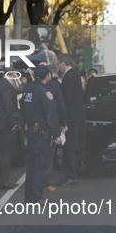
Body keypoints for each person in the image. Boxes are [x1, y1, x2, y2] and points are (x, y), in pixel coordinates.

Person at [19, 65, 62, 203]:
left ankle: (29, 196)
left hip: (31, 131)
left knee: (31, 165)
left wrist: (25, 129)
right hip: (42, 134)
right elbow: (51, 115)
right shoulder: (44, 92)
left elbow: (22, 112)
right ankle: (36, 197)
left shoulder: (27, 90)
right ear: (47, 76)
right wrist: (57, 134)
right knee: (40, 165)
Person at [57, 54, 86, 186]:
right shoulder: (75, 74)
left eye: (59, 63)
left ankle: (71, 175)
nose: (58, 66)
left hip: (70, 116)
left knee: (69, 147)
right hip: (76, 115)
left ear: (63, 63)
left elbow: (68, 97)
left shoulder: (68, 76)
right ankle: (71, 174)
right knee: (72, 146)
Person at [0, 72, 20, 189]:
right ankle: (4, 181)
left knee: (3, 152)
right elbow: (8, 106)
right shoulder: (7, 87)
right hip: (7, 124)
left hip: (1, 123)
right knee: (6, 154)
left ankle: (1, 179)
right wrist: (12, 123)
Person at [43, 64, 67, 191]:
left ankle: (38, 183)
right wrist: (62, 124)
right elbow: (59, 107)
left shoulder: (29, 87)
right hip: (49, 125)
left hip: (35, 127)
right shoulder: (53, 86)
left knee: (36, 157)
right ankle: (45, 183)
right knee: (49, 154)